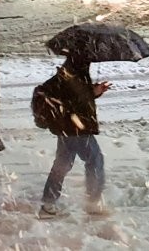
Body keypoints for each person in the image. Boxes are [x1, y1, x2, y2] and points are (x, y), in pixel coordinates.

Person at [38, 56, 112, 218]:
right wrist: (92, 92)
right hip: (76, 129)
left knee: (62, 163)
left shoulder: (68, 74)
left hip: (65, 128)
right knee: (95, 160)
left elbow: (74, 98)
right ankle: (93, 203)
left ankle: (48, 204)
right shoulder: (74, 75)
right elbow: (74, 101)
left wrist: (93, 92)